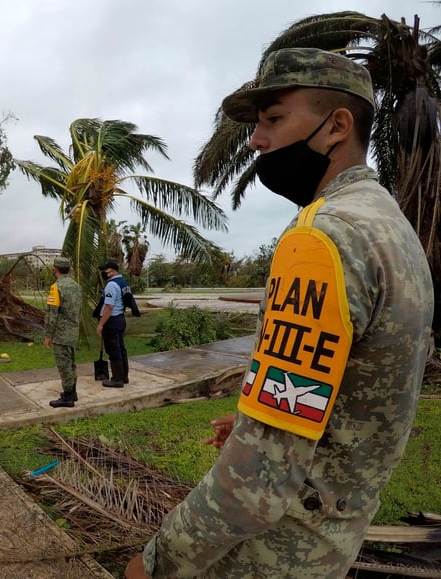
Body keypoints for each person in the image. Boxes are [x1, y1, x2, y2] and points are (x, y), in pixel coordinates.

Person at [125, 48, 434, 579]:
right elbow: (359, 394)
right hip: (332, 540)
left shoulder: (321, 237)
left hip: (271, 552)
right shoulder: (390, 227)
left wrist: (156, 563)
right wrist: (257, 424)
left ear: (336, 126)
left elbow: (257, 488)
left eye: (273, 119)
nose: (255, 141)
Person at [45, 257, 83, 408]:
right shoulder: (76, 286)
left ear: (55, 269)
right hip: (73, 331)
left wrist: (48, 335)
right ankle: (72, 392)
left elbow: (52, 314)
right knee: (71, 363)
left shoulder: (56, 287)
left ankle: (67, 397)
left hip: (61, 334)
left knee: (64, 366)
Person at [96, 260, 129, 388]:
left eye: (106, 270)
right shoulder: (123, 282)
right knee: (121, 348)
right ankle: (124, 376)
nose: (104, 273)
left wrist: (100, 324)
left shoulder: (111, 285)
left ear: (113, 271)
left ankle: (117, 379)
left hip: (112, 320)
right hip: (120, 318)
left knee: (113, 349)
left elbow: (109, 307)